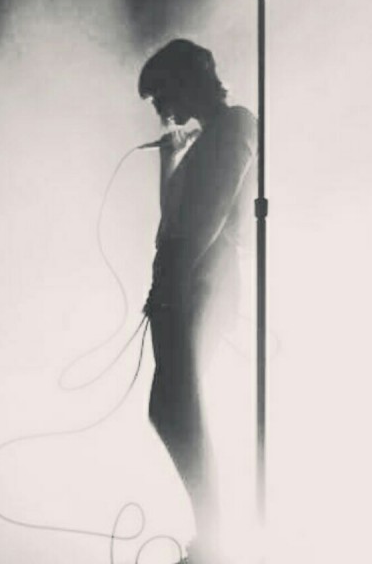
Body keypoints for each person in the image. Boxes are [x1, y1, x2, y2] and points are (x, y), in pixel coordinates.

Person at [139, 39, 257, 564]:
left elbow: (209, 214)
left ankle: (215, 540)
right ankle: (211, 536)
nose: (161, 109)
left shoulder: (235, 125)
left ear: (187, 80)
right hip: (185, 278)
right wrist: (170, 158)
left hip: (202, 280)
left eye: (161, 94)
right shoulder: (210, 136)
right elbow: (173, 215)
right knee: (172, 406)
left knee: (176, 406)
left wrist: (173, 280)